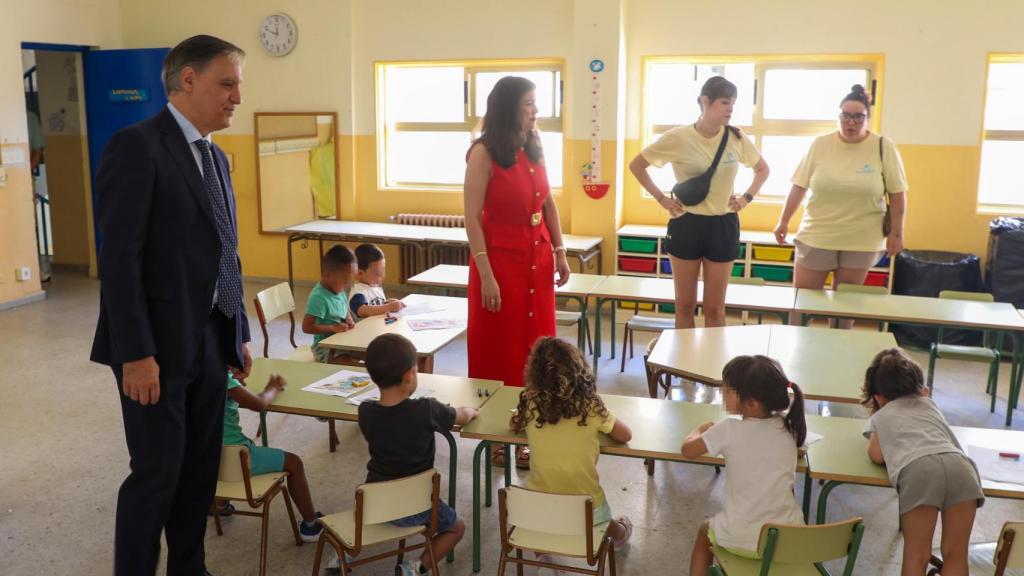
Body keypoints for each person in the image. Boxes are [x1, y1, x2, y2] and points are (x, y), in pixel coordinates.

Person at [90, 35, 250, 576]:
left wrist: (236, 329)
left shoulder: (216, 157)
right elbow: (120, 261)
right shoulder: (137, 146)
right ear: (188, 80)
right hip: (152, 346)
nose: (235, 98)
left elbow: (226, 249)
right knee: (156, 474)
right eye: (226, 84)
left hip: (207, 335)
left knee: (199, 470)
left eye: (237, 87)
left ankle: (190, 567)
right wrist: (135, 353)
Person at [464, 76, 570, 468]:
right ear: (509, 107)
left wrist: (560, 251)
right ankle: (495, 433)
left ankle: (530, 430)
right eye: (529, 103)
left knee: (537, 351)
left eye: (535, 102)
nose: (536, 110)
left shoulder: (534, 146)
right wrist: (486, 274)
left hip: (536, 264)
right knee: (500, 350)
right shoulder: (483, 153)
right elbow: (472, 219)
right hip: (499, 267)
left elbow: (548, 204)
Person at [629, 76, 768, 329]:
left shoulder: (736, 138)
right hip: (687, 224)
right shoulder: (678, 137)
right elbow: (637, 165)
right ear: (705, 101)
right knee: (684, 305)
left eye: (733, 103)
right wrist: (662, 199)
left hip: (723, 224)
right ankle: (685, 365)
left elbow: (762, 169)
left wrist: (746, 197)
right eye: (725, 102)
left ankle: (712, 366)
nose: (730, 109)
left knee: (715, 308)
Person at [774, 84, 909, 325]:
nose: (852, 122)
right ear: (839, 117)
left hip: (861, 239)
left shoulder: (882, 146)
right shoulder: (820, 144)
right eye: (846, 116)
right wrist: (783, 221)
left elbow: (898, 194)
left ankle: (836, 357)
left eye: (859, 116)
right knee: (802, 305)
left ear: (867, 118)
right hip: (818, 234)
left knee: (844, 310)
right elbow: (799, 185)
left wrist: (897, 233)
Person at [358, 334, 478, 575]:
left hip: (374, 503)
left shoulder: (365, 411)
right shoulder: (426, 409)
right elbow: (461, 416)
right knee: (457, 528)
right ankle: (415, 567)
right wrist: (471, 410)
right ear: (410, 375)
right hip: (418, 506)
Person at [861, 349, 983, 576]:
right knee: (956, 552)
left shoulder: (882, 415)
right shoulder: (931, 405)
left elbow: (876, 455)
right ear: (923, 391)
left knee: (917, 555)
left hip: (920, 472)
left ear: (878, 397)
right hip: (961, 468)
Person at [681, 355, 806, 576]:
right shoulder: (790, 428)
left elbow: (687, 450)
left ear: (752, 402)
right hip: (787, 539)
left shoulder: (727, 429)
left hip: (739, 538)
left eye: (727, 391)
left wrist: (701, 429)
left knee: (703, 532)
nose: (723, 395)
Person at [509, 337, 634, 557]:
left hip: (537, 510)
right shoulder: (590, 406)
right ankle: (621, 533)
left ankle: (545, 555)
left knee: (551, 509)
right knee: (605, 519)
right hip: (586, 511)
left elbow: (513, 424)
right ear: (579, 372)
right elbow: (626, 434)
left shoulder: (530, 404)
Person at [220, 372, 323, 541]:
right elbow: (259, 403)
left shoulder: (183, 376)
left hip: (203, 461)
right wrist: (272, 388)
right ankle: (311, 527)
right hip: (234, 459)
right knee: (294, 463)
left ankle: (219, 504)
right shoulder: (222, 377)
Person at [302, 244, 357, 364]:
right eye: (345, 280)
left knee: (370, 353)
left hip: (341, 340)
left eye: (350, 280)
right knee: (350, 364)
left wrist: (349, 318)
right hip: (324, 347)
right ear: (327, 275)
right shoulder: (318, 298)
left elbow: (344, 307)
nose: (347, 285)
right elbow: (306, 327)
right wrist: (333, 328)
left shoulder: (339, 289)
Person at [349, 243, 405, 320]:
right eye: (378, 274)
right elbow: (362, 310)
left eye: (383, 271)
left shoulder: (375, 286)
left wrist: (388, 302)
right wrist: (388, 307)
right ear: (360, 273)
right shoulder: (358, 292)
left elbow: (377, 305)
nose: (383, 276)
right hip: (367, 331)